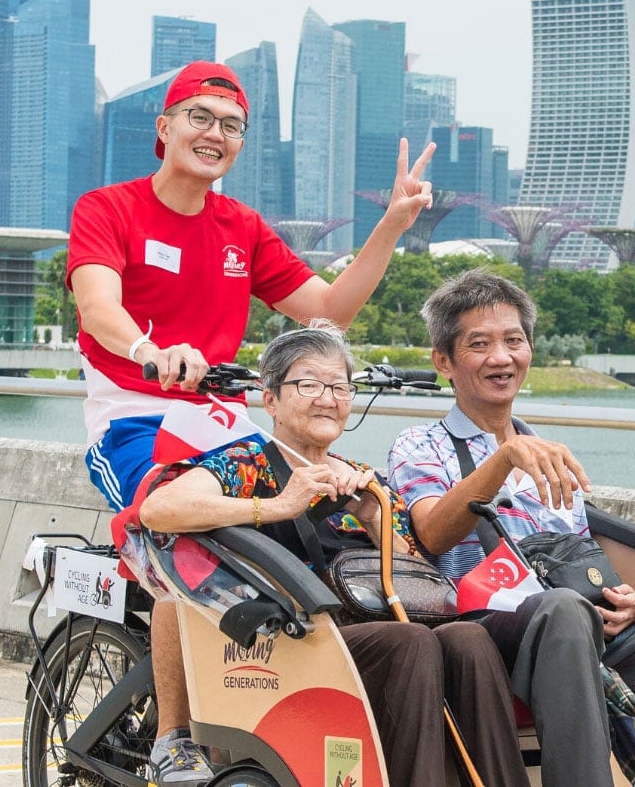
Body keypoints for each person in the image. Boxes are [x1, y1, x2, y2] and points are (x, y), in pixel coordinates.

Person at [66, 60, 434, 784]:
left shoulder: (242, 227)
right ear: (165, 127)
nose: (215, 134)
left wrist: (392, 224)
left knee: (320, 516)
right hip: (135, 417)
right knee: (179, 535)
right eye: (200, 118)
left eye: (231, 126)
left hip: (222, 419)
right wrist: (150, 350)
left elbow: (329, 312)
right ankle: (174, 737)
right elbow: (98, 309)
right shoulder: (110, 208)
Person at [387, 269, 635, 787]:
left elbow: (579, 554)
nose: (501, 358)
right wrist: (503, 460)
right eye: (480, 344)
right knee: (564, 609)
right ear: (444, 360)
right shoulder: (421, 446)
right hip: (490, 634)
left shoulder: (550, 452)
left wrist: (624, 599)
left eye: (514, 341)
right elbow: (434, 533)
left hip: (586, 628)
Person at [139, 326, 530, 787]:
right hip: (288, 635)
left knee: (468, 639)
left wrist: (371, 517)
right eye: (308, 385)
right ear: (272, 401)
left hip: (360, 629)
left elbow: (417, 580)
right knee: (411, 644)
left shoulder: (360, 477)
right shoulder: (247, 463)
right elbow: (158, 508)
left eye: (339, 387)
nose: (327, 398)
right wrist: (278, 505)